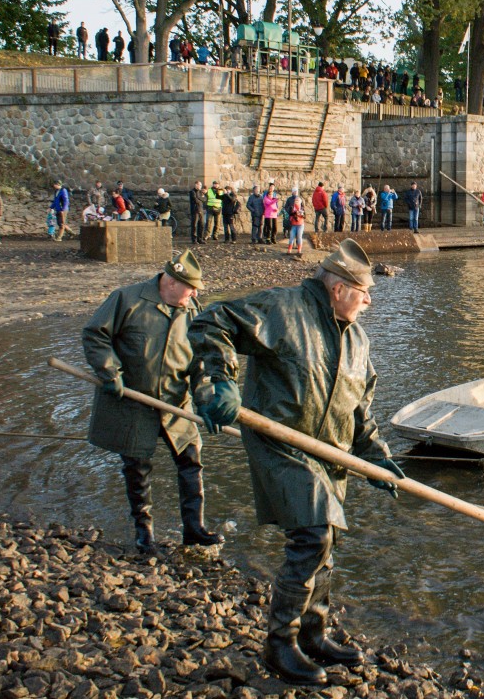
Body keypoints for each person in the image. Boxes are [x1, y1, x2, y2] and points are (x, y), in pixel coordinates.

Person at [190, 240, 404, 685]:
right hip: (281, 442)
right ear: (338, 289)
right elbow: (213, 321)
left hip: (331, 453)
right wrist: (221, 380)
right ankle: (279, 643)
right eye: (364, 292)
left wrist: (378, 457)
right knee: (313, 532)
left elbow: (359, 410)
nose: (369, 301)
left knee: (326, 542)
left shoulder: (358, 340)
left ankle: (313, 632)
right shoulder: (283, 308)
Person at [82, 251, 224, 555]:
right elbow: (95, 335)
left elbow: (200, 361)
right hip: (134, 403)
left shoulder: (192, 310)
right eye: (190, 287)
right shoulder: (127, 299)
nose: (195, 294)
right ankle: (144, 534)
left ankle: (194, 529)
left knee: (191, 461)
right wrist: (110, 371)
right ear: (170, 282)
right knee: (137, 469)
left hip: (176, 404)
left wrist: (205, 399)